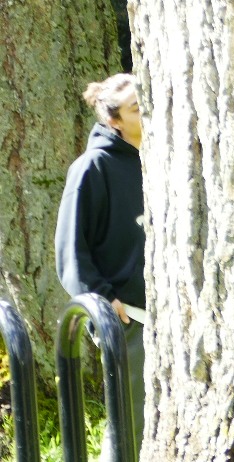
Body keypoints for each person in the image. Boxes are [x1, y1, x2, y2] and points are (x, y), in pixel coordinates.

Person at [55, 73, 145, 455]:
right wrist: (108, 305)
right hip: (126, 319)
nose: (148, 113)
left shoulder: (167, 159)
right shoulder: (91, 168)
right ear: (114, 120)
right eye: (136, 108)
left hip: (173, 315)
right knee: (131, 422)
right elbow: (71, 253)